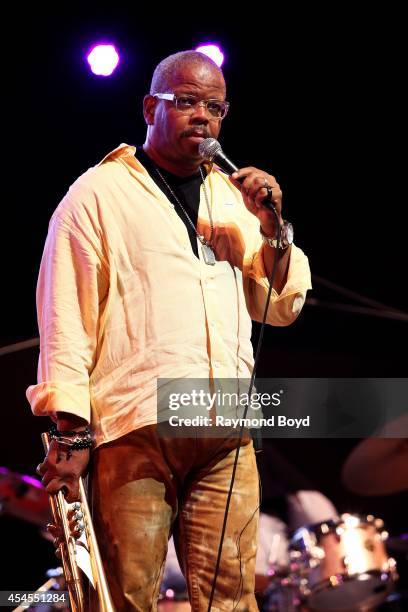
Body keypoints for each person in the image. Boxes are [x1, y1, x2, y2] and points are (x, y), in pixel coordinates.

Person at [27, 50, 311, 611]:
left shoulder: (234, 197)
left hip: (225, 429)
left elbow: (281, 306)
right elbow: (65, 315)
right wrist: (70, 429)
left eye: (215, 106)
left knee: (231, 600)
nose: (201, 116)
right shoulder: (99, 193)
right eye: (185, 101)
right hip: (135, 424)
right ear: (149, 107)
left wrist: (273, 230)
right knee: (127, 596)